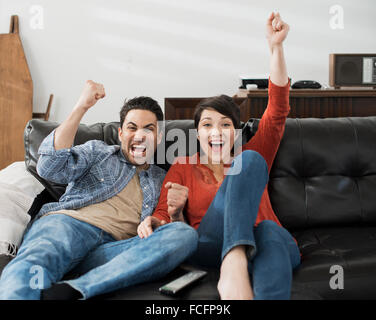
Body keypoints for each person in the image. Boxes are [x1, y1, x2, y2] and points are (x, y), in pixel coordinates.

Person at [137, 12, 301, 300]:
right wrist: (161, 219)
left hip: (265, 239)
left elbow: (276, 111)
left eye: (226, 125)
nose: (217, 132)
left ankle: (237, 266)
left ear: (236, 133)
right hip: (211, 244)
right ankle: (233, 260)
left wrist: (276, 48)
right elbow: (163, 216)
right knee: (248, 167)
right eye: (208, 125)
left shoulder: (251, 153)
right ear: (197, 134)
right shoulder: (183, 166)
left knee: (269, 229)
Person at [0, 81, 198, 300]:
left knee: (184, 235)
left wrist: (173, 214)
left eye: (148, 129)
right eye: (132, 128)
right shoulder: (98, 151)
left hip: (115, 251)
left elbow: (167, 229)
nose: (140, 135)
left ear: (159, 137)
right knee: (35, 263)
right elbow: (49, 166)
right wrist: (81, 107)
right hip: (68, 227)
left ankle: (75, 289)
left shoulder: (162, 179)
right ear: (121, 133)